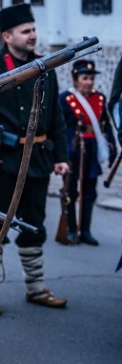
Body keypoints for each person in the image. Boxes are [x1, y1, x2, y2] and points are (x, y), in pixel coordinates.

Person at [0, 2, 69, 315]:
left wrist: (61, 157)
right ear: (7, 37)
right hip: (3, 162)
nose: (33, 36)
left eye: (34, 30)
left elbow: (57, 119)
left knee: (34, 226)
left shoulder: (46, 67)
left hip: (37, 160)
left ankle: (36, 287)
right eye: (26, 31)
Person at [59, 60, 116, 245]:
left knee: (89, 190)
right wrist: (61, 154)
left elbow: (105, 126)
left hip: (92, 149)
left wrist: (112, 148)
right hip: (73, 149)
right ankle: (70, 229)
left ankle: (85, 230)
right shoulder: (65, 98)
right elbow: (59, 129)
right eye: (85, 78)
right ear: (75, 79)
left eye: (91, 78)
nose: (89, 82)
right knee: (70, 190)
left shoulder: (100, 98)